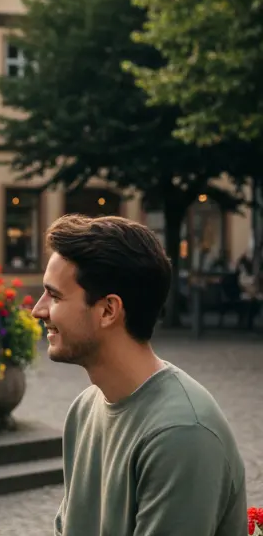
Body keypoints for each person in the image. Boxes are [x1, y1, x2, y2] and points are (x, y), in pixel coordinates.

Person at [33, 215, 247, 535]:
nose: (38, 309)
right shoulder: (84, 409)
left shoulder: (181, 432)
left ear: (108, 310)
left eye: (55, 295)